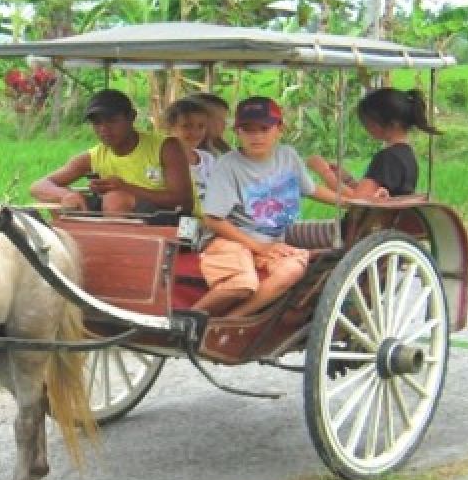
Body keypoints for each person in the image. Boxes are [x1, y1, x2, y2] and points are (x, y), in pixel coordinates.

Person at [193, 96, 341, 318]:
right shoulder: (228, 166)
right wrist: (258, 247)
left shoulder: (287, 156)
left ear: (279, 129)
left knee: (292, 270)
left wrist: (349, 202)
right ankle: (187, 319)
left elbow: (311, 189)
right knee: (242, 283)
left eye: (264, 128)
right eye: (248, 130)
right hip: (230, 240)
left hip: (272, 244)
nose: (257, 136)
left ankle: (235, 319)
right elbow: (212, 220)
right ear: (238, 133)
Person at [30, 88, 193, 214]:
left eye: (112, 121)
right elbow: (39, 186)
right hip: (118, 216)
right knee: (68, 205)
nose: (104, 129)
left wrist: (125, 188)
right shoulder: (94, 156)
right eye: (97, 123)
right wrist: (65, 196)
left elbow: (183, 201)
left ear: (132, 117)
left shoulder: (166, 147)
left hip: (165, 220)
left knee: (115, 199)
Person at [306, 87, 441, 199]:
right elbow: (372, 195)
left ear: (393, 124)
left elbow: (358, 200)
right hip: (386, 226)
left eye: (370, 122)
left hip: (365, 229)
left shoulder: (387, 158)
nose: (366, 127)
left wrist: (323, 172)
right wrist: (347, 179)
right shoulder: (406, 155)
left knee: (296, 231)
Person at [163, 97, 215, 211]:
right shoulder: (161, 160)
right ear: (170, 128)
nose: (195, 133)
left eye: (201, 126)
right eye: (186, 126)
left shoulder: (208, 159)